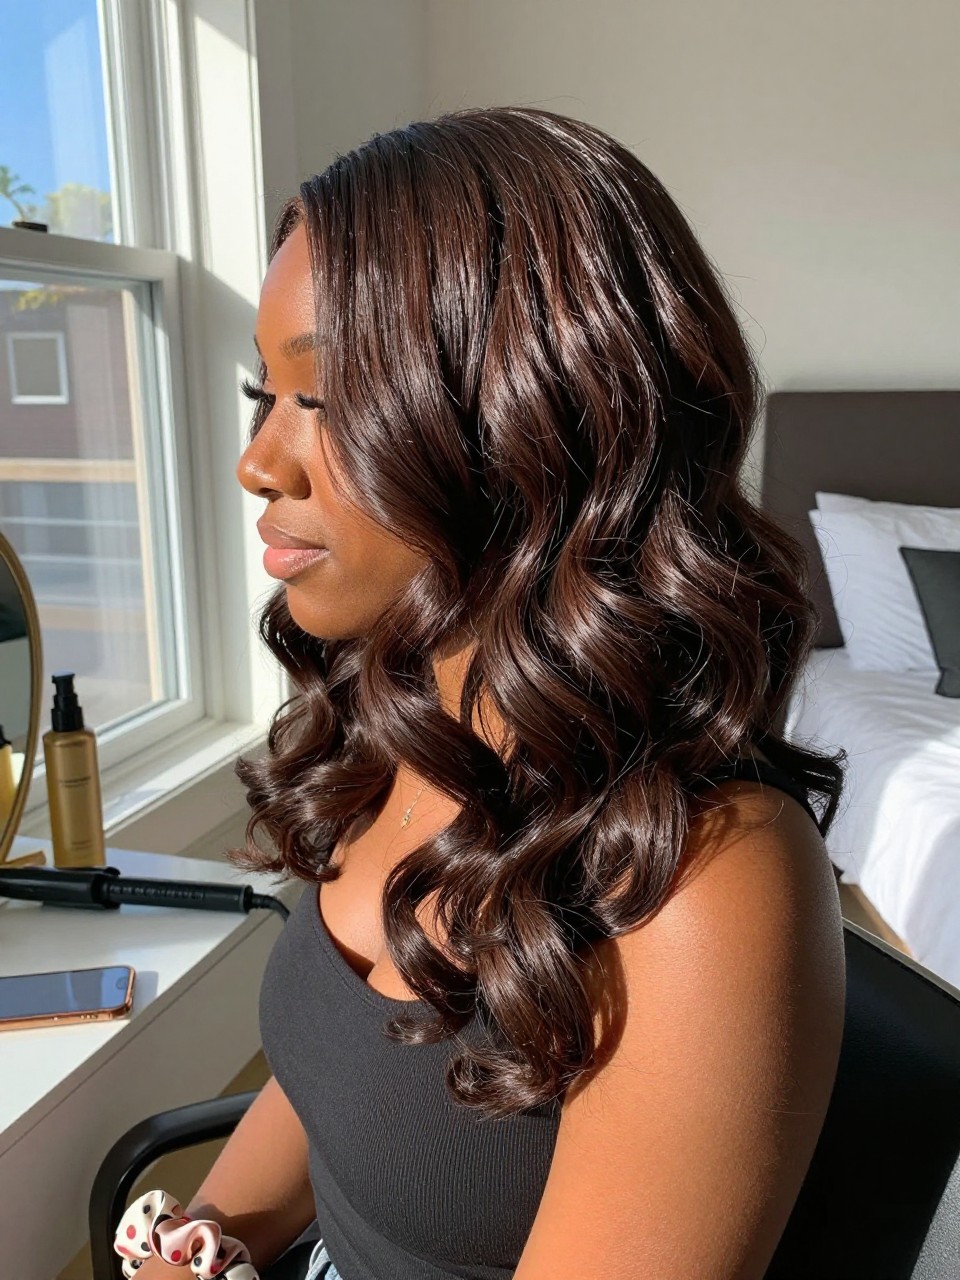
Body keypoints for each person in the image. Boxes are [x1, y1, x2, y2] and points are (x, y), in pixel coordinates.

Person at [135, 106, 846, 1280]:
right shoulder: (399, 725)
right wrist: (201, 1238)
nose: (258, 460)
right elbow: (336, 1079)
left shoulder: (697, 886)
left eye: (324, 397)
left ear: (530, 414)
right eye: (264, 391)